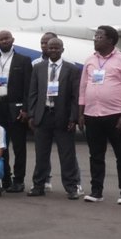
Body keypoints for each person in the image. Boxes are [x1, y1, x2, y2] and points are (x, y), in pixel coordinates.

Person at [78, 25, 121, 204]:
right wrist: (81, 113)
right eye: (95, 36)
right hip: (92, 114)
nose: (95, 39)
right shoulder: (90, 60)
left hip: (115, 115)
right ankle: (96, 191)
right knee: (95, 155)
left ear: (110, 40)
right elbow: (83, 88)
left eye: (99, 36)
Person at [25, 37, 83, 199]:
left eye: (57, 48)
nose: (53, 50)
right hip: (42, 116)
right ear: (46, 49)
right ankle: (38, 185)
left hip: (63, 117)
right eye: (50, 48)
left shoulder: (72, 69)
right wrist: (31, 114)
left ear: (62, 50)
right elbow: (33, 93)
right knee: (41, 154)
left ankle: (71, 187)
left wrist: (73, 118)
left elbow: (74, 97)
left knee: (67, 155)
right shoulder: (38, 68)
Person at [0, 30, 33, 193]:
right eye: (1, 39)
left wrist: (26, 109)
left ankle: (19, 180)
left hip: (16, 107)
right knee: (1, 145)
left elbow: (28, 87)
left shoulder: (23, 60)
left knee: (19, 146)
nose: (4, 41)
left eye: (7, 38)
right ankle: (6, 178)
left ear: (12, 40)